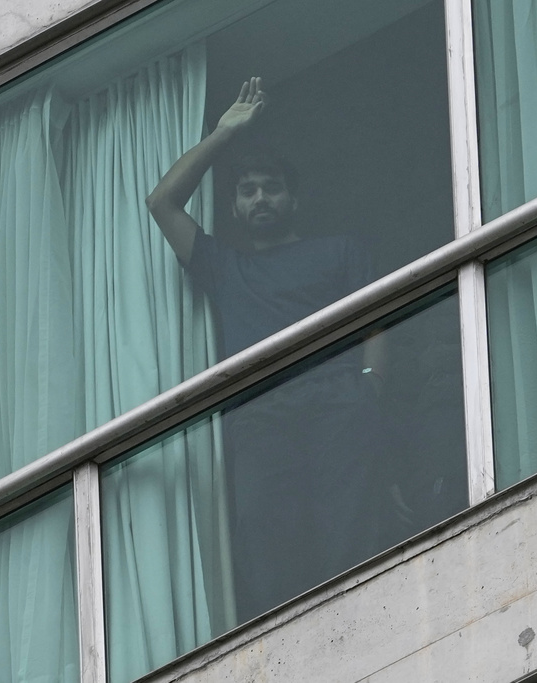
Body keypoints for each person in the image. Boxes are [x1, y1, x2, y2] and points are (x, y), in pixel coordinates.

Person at [147, 77, 388, 623]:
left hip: (337, 399)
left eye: (271, 187)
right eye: (248, 189)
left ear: (294, 198)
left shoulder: (339, 250)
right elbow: (162, 203)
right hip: (260, 413)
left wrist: (371, 385)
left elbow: (378, 317)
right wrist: (221, 135)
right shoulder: (225, 267)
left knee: (347, 539)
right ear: (233, 206)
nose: (260, 197)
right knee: (268, 549)